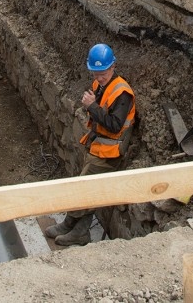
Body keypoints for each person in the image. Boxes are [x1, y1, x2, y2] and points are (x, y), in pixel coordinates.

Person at [43, 43, 136, 247]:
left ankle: (77, 230)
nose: (98, 78)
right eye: (95, 73)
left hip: (111, 152)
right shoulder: (100, 86)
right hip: (99, 147)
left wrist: (91, 106)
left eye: (102, 73)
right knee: (88, 188)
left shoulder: (122, 93)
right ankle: (73, 227)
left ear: (113, 67)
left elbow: (114, 125)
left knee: (85, 189)